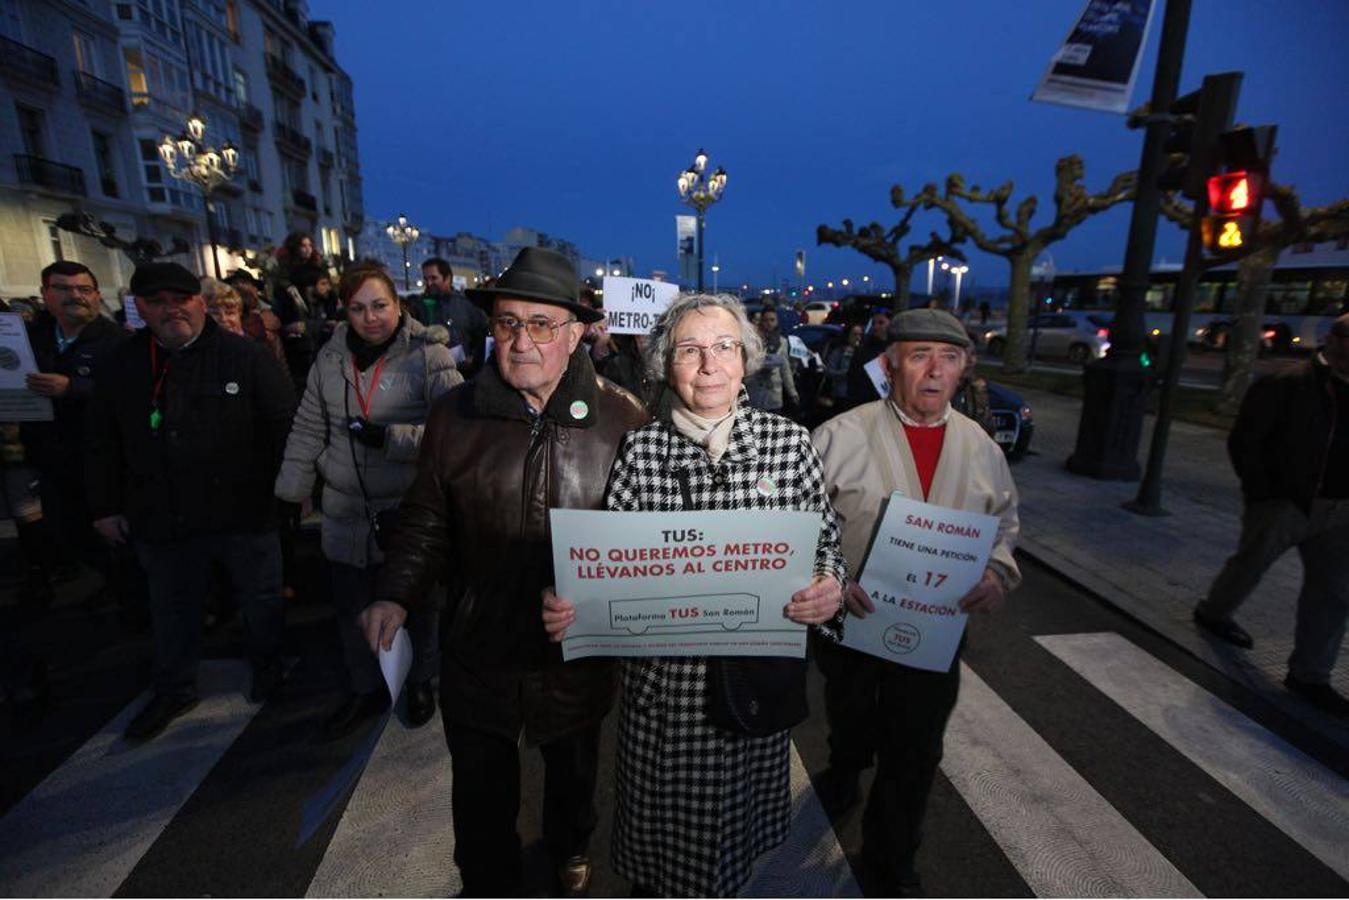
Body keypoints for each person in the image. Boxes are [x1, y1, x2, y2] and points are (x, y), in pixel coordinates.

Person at [359, 248, 647, 896]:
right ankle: (486, 881)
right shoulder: (453, 417)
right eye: (509, 323)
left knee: (573, 775)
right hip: (478, 648)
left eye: (541, 324)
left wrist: (604, 606)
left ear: (576, 334)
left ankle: (570, 845)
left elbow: (644, 546)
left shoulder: (623, 419)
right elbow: (426, 520)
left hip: (574, 659)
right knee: (481, 797)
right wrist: (395, 596)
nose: (521, 340)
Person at [542, 293, 847, 897]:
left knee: (735, 860)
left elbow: (825, 546)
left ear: (746, 359)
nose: (709, 364)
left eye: (724, 347)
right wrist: (572, 604)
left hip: (750, 695)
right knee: (664, 872)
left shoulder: (790, 444)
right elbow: (607, 570)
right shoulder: (641, 451)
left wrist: (829, 588)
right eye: (690, 350)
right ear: (665, 365)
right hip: (664, 703)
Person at [810, 308, 1021, 893]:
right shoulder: (838, 436)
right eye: (919, 355)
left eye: (949, 358)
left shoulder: (980, 448)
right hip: (850, 621)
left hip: (935, 631)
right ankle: (846, 765)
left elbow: (1004, 521)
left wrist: (998, 575)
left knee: (917, 747)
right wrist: (827, 575)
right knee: (850, 713)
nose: (934, 371)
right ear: (889, 364)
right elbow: (800, 522)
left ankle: (890, 854)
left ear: (963, 369)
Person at [85, 262, 296, 742]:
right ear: (140, 308)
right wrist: (104, 505)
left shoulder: (246, 356)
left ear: (200, 301)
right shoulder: (122, 364)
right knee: (172, 606)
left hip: (243, 507)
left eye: (180, 298)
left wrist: (292, 490)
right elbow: (100, 441)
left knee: (261, 598)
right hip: (162, 513)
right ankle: (175, 686)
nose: (170, 309)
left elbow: (284, 424)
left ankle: (268, 666)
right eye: (157, 302)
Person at [275, 262, 461, 736]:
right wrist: (291, 491)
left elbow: (456, 433)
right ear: (345, 312)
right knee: (352, 609)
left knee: (418, 606)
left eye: (380, 305)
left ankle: (421, 681)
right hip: (345, 510)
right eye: (358, 308)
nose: (370, 317)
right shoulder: (329, 358)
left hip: (407, 510)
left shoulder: (428, 355)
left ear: (398, 305)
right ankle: (363, 688)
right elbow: (309, 426)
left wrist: (390, 438)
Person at [1193, 313, 1349, 718]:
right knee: (1251, 562)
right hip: (1287, 500)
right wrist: (1263, 492)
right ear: (1335, 340)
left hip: (1341, 506)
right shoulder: (1290, 382)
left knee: (1334, 592)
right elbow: (1247, 439)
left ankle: (1311, 675)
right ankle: (1215, 611)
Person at [21, 261, 129, 603]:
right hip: (51, 454)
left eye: (84, 289)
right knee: (66, 528)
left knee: (112, 530)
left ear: (97, 296)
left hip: (102, 456)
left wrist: (74, 388)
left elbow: (131, 392)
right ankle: (111, 582)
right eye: (64, 289)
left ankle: (128, 592)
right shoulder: (29, 338)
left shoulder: (117, 341)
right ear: (46, 294)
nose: (75, 297)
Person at [415, 257, 490, 376]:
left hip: (464, 374)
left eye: (434, 278)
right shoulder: (419, 306)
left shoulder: (467, 304)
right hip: (431, 374)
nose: (429, 283)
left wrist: (474, 357)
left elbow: (484, 333)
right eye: (426, 279)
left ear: (448, 278)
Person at [272, 232, 327, 390]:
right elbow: (281, 305)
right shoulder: (285, 276)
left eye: (310, 245)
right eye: (303, 246)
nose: (307, 249)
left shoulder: (316, 272)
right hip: (297, 337)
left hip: (315, 331)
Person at [744, 306, 798, 414]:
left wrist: (792, 392)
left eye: (772, 320)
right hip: (756, 392)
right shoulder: (752, 342)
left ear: (777, 321)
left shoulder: (782, 342)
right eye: (766, 320)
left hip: (774, 394)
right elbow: (746, 365)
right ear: (761, 322)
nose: (769, 323)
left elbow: (785, 369)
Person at [845, 307, 893, 407]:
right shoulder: (863, 350)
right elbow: (853, 379)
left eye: (881, 323)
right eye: (874, 323)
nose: (876, 327)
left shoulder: (896, 350)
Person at [823, 323, 864, 408]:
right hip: (841, 395)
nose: (857, 337)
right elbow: (829, 371)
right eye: (854, 334)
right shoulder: (839, 352)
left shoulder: (862, 352)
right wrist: (846, 373)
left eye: (860, 334)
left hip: (857, 396)